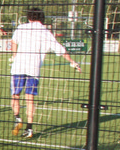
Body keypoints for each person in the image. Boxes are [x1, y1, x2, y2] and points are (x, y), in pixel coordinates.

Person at [9, 8, 81, 139]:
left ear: (29, 18)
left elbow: (13, 41)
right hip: (33, 69)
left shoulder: (22, 27)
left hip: (18, 67)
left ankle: (17, 118)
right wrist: (72, 62)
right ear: (42, 19)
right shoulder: (46, 32)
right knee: (30, 98)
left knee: (15, 95)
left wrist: (14, 56)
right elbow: (60, 49)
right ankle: (29, 128)